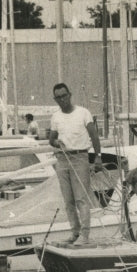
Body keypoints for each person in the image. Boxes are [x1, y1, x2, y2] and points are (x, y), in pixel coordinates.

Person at [48, 83, 102, 246]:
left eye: (64, 96)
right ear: (55, 99)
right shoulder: (55, 117)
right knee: (68, 200)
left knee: (81, 199)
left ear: (70, 95)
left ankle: (85, 235)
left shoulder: (83, 113)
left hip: (80, 158)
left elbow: (94, 136)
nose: (62, 100)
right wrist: (57, 143)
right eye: (58, 97)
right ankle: (75, 232)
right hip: (63, 159)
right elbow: (51, 139)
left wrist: (98, 156)